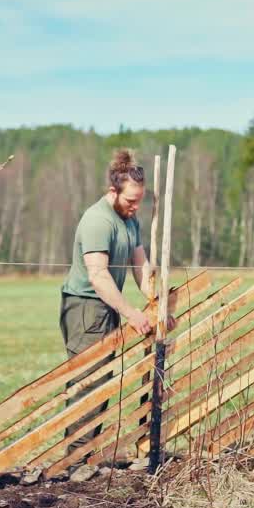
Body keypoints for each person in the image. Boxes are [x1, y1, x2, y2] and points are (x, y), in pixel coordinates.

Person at [59, 148, 173, 458]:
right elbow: (98, 276)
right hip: (86, 307)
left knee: (104, 382)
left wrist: (155, 300)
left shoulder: (129, 220)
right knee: (88, 383)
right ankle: (75, 460)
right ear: (113, 191)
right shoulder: (98, 220)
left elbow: (140, 266)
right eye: (130, 200)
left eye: (139, 200)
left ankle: (88, 456)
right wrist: (132, 313)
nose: (136, 206)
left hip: (107, 306)